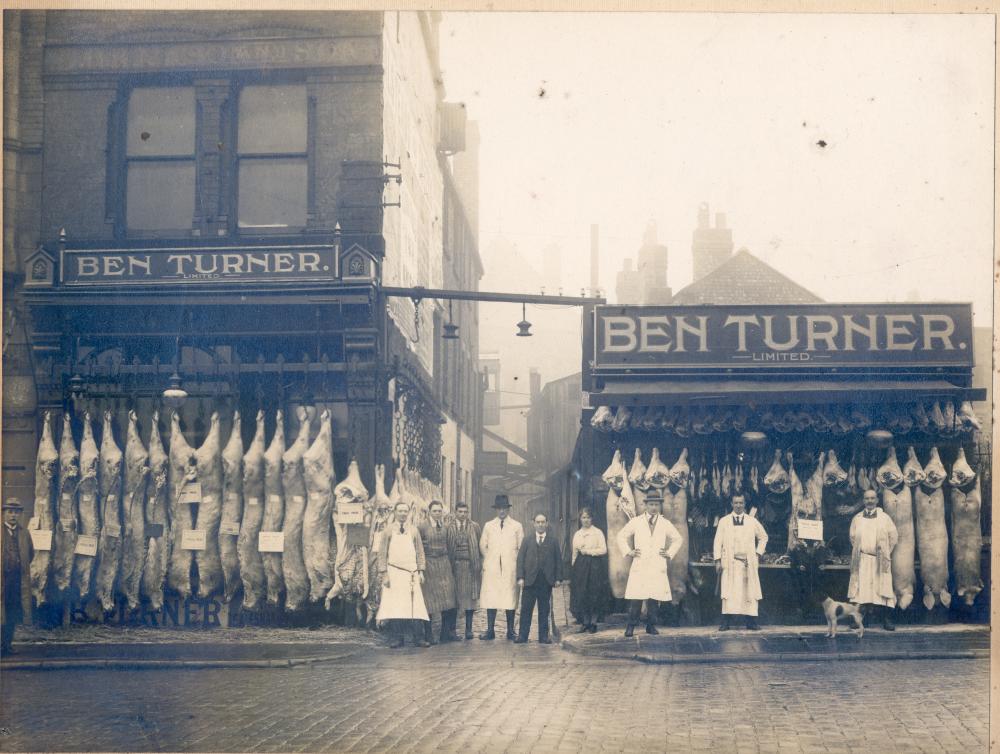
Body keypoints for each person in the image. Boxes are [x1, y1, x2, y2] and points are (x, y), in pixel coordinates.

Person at [616, 491, 683, 637]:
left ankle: (651, 625)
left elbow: (678, 538)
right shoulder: (637, 521)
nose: (654, 507)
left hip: (657, 565)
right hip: (641, 564)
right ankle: (631, 626)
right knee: (637, 598)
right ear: (645, 505)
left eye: (657, 504)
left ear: (660, 505)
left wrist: (669, 552)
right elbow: (621, 536)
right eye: (651, 504)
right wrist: (629, 551)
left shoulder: (665, 523)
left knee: (654, 597)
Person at [376, 501, 430, 648]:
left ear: (408, 513)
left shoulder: (413, 530)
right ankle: (397, 638)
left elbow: (420, 552)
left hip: (411, 573)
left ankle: (418, 638)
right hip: (394, 572)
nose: (403, 514)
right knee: (396, 605)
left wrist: (421, 571)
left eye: (405, 511)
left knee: (415, 605)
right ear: (394, 512)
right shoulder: (388, 531)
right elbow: (382, 554)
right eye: (400, 511)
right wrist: (384, 574)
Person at [713, 494, 769, 630]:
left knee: (749, 592)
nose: (738, 505)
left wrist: (757, 553)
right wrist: (718, 561)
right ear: (731, 504)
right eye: (736, 503)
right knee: (729, 592)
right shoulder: (724, 521)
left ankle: (751, 622)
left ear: (745, 504)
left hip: (747, 563)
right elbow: (717, 542)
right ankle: (726, 622)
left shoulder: (752, 521)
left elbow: (764, 537)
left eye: (741, 503)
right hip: (730, 563)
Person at [848, 489, 899, 631]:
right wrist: (863, 550)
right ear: (863, 501)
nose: (870, 501)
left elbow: (894, 537)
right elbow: (852, 537)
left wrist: (885, 553)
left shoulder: (885, 518)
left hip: (880, 559)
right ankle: (861, 620)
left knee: (882, 588)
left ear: (877, 500)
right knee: (862, 589)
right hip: (863, 559)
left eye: (872, 498)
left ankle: (886, 619)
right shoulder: (857, 518)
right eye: (867, 498)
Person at [478, 494, 524, 640]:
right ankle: (490, 630)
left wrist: (513, 561)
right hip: (492, 568)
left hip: (510, 567)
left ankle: (510, 630)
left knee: (510, 597)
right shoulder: (488, 526)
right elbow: (482, 546)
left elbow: (521, 547)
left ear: (508, 509)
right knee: (491, 597)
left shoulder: (516, 526)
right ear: (495, 510)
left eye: (504, 508)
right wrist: (490, 559)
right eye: (499, 509)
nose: (502, 511)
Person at [514, 513, 563, 644]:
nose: (540, 525)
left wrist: (558, 578)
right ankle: (523, 635)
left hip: (545, 581)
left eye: (543, 522)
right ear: (534, 523)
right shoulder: (527, 540)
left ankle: (543, 636)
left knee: (544, 609)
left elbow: (558, 560)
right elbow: (520, 560)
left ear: (547, 523)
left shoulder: (553, 541)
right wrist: (520, 577)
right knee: (526, 609)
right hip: (529, 580)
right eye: (538, 522)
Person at [417, 500, 458, 644]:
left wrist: (449, 563)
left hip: (444, 564)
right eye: (434, 511)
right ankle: (428, 634)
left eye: (439, 511)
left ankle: (444, 634)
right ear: (429, 512)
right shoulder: (421, 527)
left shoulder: (446, 527)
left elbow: (451, 546)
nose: (437, 513)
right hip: (429, 564)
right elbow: (418, 548)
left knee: (448, 599)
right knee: (429, 600)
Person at [570, 507, 609, 633]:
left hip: (594, 565)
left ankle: (593, 622)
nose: (586, 520)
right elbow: (574, 553)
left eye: (588, 517)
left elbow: (603, 550)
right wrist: (573, 567)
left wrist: (589, 552)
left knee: (594, 592)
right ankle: (585, 622)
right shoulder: (577, 534)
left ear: (592, 518)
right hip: (580, 566)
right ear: (580, 519)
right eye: (583, 517)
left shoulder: (597, 532)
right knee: (582, 593)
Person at [2, 498, 33, 656]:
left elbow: (30, 554)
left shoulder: (24, 533)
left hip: (16, 582)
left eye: (16, 512)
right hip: (2, 581)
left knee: (12, 614)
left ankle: (7, 645)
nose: (13, 515)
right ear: (4, 514)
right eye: (10, 512)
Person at [446, 501, 482, 640]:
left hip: (470, 567)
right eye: (460, 512)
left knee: (469, 600)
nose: (463, 514)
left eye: (465, 512)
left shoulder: (475, 527)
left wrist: (478, 565)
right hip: (454, 566)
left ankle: (468, 629)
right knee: (454, 599)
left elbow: (479, 546)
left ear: (468, 513)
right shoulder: (449, 527)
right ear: (455, 512)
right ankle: (452, 630)